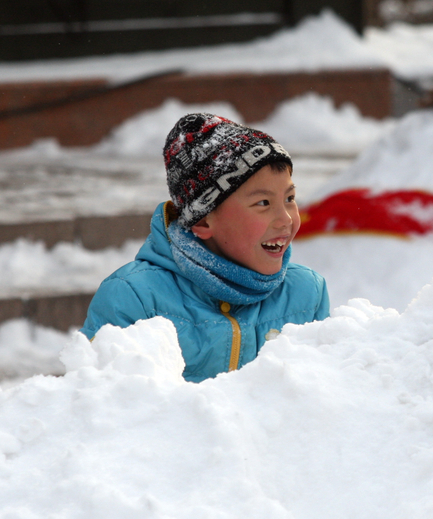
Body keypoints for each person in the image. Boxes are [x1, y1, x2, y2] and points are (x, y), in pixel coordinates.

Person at [80, 113, 329, 381]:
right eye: (263, 203)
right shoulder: (134, 299)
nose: (286, 219)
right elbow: (105, 399)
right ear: (202, 221)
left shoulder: (307, 293)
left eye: (290, 198)